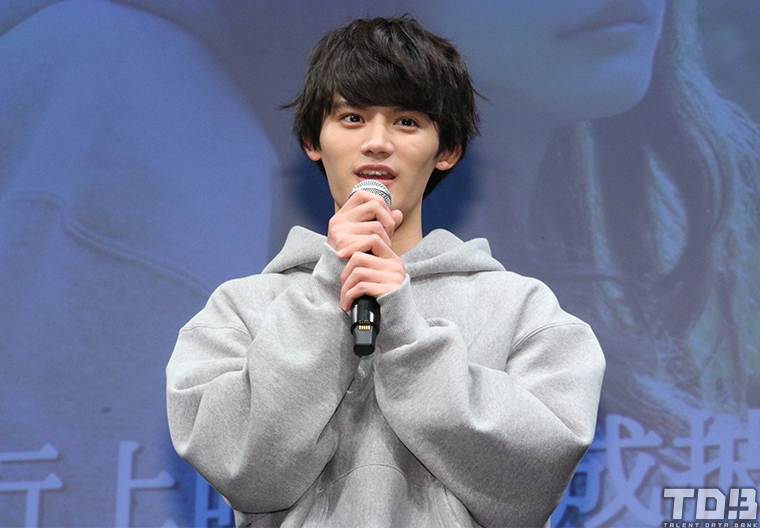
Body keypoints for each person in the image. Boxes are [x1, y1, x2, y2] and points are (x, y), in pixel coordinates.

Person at [166, 16, 605, 528]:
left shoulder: (523, 309)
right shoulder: (240, 309)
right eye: (352, 117)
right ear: (312, 140)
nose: (377, 142)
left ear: (447, 151)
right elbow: (246, 471)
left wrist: (407, 331)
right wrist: (326, 291)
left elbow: (529, 486)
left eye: (407, 122)